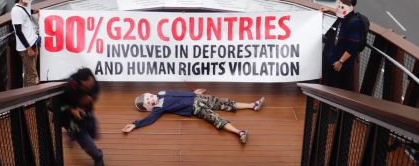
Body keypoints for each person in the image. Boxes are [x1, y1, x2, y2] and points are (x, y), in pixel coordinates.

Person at [122, 88, 265, 144]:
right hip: (195, 108)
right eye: (148, 103)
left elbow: (178, 93)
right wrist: (135, 124)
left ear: (149, 94)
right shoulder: (158, 109)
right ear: (149, 108)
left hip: (197, 97)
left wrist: (193, 92)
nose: (151, 100)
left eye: (148, 98)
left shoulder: (161, 93)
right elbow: (149, 120)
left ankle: (253, 105)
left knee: (225, 102)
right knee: (216, 119)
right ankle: (239, 132)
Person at [55, 68, 104, 166]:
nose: (92, 84)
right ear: (81, 82)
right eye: (89, 83)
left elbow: (96, 91)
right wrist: (72, 110)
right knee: (86, 141)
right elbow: (56, 105)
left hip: (86, 113)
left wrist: (91, 98)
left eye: (92, 81)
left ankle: (71, 134)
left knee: (93, 133)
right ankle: (98, 157)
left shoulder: (93, 83)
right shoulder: (68, 87)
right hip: (70, 118)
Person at [320, 0, 365, 91]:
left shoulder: (355, 23)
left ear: (351, 8)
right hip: (332, 59)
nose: (339, 8)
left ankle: (331, 106)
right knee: (327, 85)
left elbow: (352, 46)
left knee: (336, 88)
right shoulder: (344, 16)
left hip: (340, 64)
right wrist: (329, 9)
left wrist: (340, 61)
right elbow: (338, 11)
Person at [11, 0, 40, 87]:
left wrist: (33, 12)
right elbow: (18, 31)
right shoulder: (16, 11)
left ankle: (26, 96)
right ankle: (31, 100)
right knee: (32, 75)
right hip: (26, 48)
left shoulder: (27, 3)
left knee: (29, 72)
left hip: (33, 42)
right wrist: (28, 49)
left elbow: (27, 12)